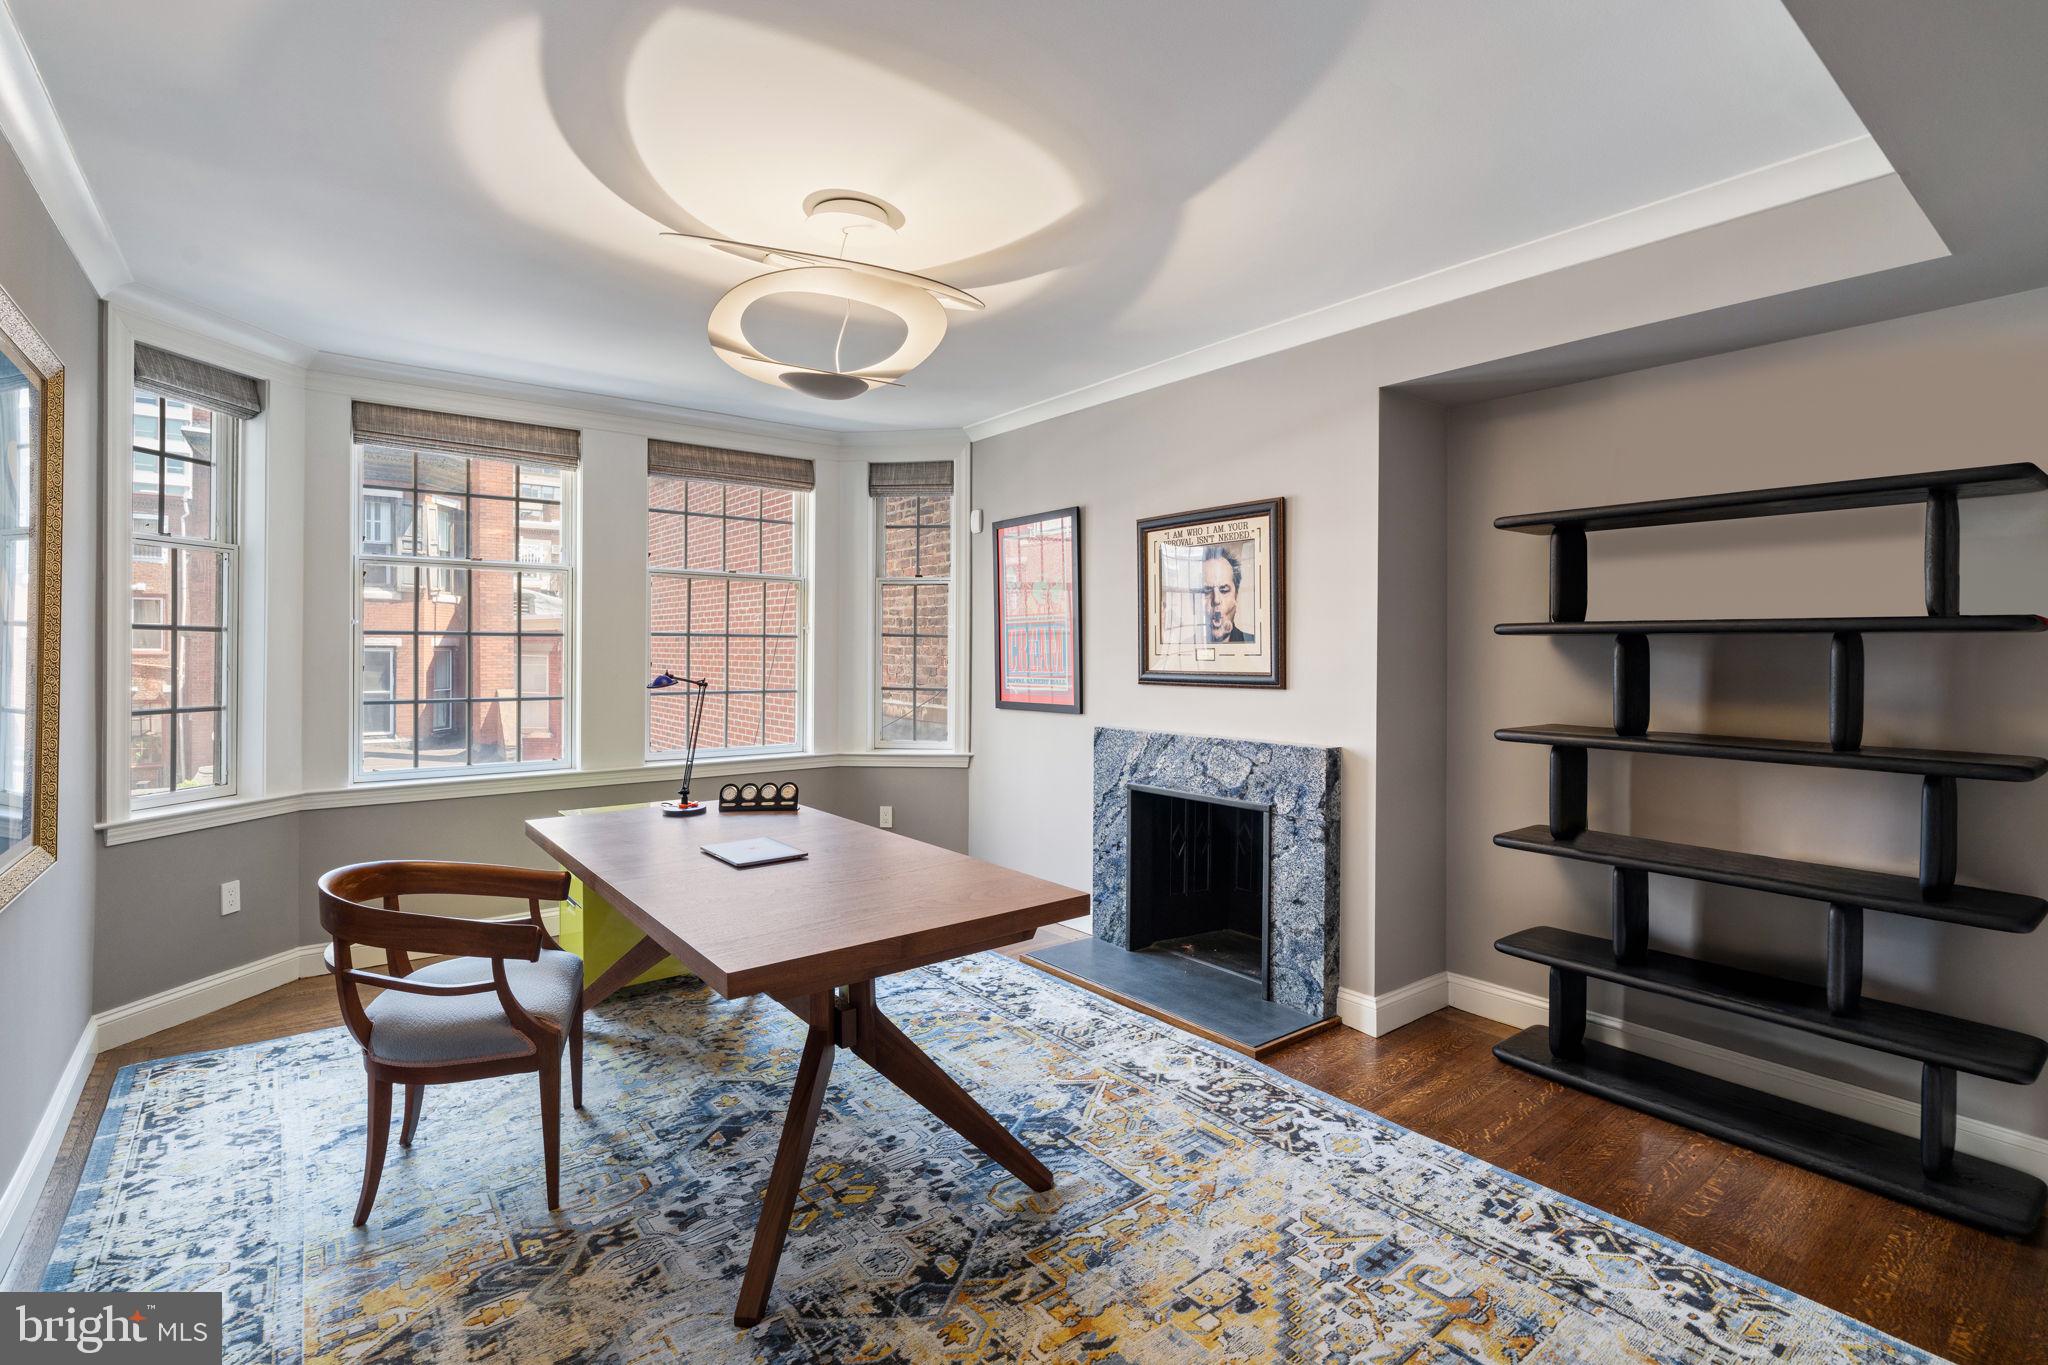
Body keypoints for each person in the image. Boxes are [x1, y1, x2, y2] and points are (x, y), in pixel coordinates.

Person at [1200, 544, 1255, 643]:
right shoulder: (1181, 647)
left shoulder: (1253, 642)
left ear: (1236, 596)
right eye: (1207, 591)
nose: (1216, 600)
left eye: (1224, 590)